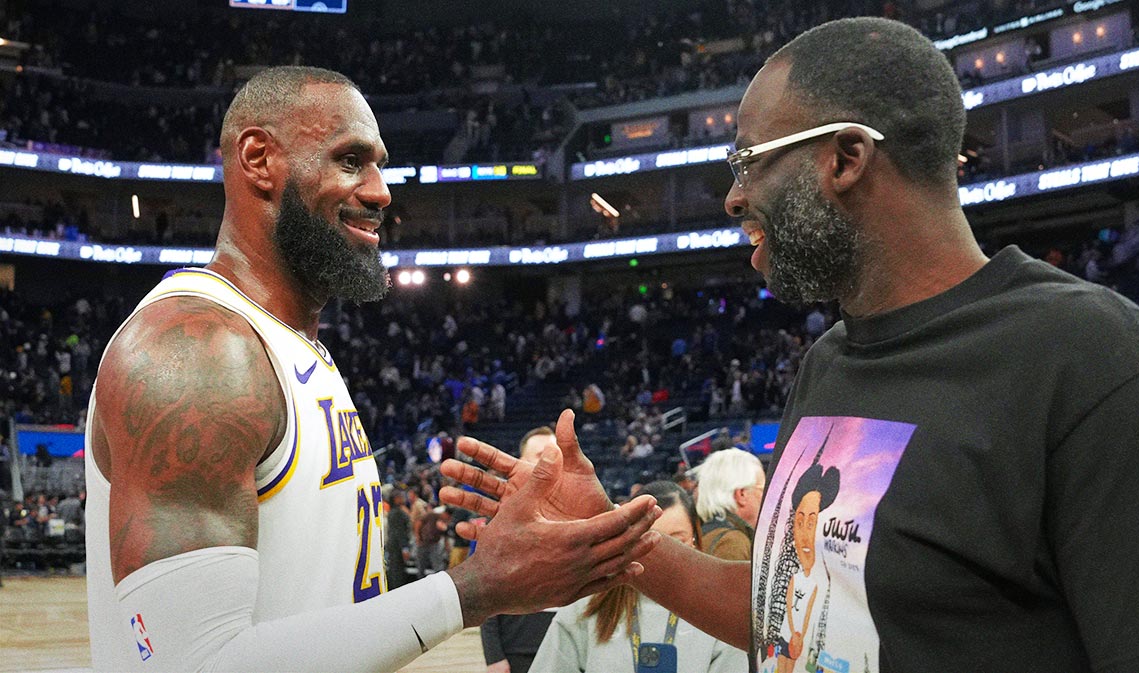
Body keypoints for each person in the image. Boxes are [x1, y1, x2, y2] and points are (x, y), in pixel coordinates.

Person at [441, 17, 1139, 673]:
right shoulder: (829, 362)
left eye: (748, 159)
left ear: (843, 158)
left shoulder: (1095, 360)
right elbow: (790, 607)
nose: (734, 195)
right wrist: (609, 536)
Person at [83, 65, 662, 673]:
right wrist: (476, 589)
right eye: (351, 160)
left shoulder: (289, 348)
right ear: (258, 159)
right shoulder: (198, 352)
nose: (382, 191)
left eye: (378, 164)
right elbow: (190, 663)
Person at [528, 481, 746, 673]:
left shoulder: (716, 611)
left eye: (677, 542)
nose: (661, 554)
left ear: (695, 540)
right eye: (648, 541)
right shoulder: (587, 604)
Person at [480, 426, 559, 673]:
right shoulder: (502, 519)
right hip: (518, 651)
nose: (551, 462)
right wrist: (493, 655)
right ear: (521, 463)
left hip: (567, 646)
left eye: (556, 454)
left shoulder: (583, 516)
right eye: (540, 456)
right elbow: (486, 591)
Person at [693, 449, 765, 561]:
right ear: (741, 494)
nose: (766, 498)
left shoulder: (702, 534)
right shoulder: (732, 543)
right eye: (763, 489)